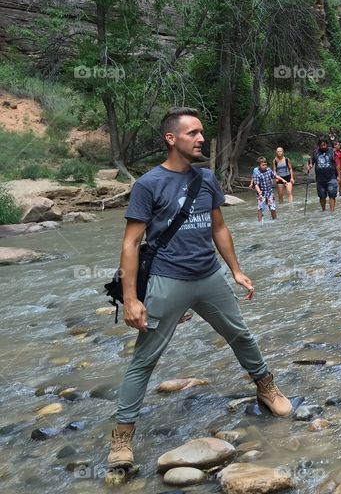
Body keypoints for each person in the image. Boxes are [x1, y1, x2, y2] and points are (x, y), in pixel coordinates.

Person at [107, 107, 291, 470]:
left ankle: (266, 386)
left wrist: (236, 270)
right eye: (192, 133)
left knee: (241, 334)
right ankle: (122, 436)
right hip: (166, 281)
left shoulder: (206, 179)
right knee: (145, 359)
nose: (201, 138)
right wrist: (131, 299)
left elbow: (218, 227)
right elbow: (130, 244)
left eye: (202, 133)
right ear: (171, 139)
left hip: (209, 277)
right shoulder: (149, 184)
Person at [307, 138, 338, 212]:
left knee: (332, 194)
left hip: (331, 177)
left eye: (324, 145)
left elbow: (337, 164)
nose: (323, 147)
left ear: (327, 144)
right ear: (319, 146)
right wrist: (310, 165)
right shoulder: (315, 152)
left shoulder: (332, 151)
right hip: (320, 179)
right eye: (321, 145)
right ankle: (323, 210)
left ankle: (332, 211)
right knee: (322, 196)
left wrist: (339, 175)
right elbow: (311, 162)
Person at [252, 157, 280, 222]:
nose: (265, 166)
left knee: (273, 207)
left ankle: (275, 220)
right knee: (260, 208)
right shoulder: (257, 173)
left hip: (269, 192)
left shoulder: (269, 170)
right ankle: (259, 222)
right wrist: (259, 192)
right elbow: (256, 184)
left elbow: (274, 176)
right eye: (263, 165)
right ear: (259, 166)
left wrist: (283, 180)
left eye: (266, 164)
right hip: (262, 193)